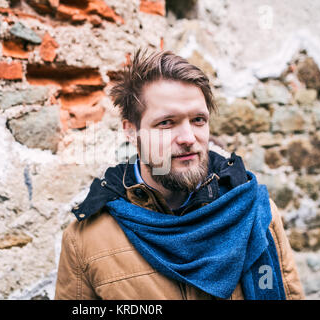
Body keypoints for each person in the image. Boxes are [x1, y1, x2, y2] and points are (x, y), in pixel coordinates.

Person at [55, 49, 304, 300]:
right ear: (131, 132)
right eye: (166, 123)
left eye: (198, 120)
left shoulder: (256, 213)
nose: (188, 139)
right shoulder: (86, 240)